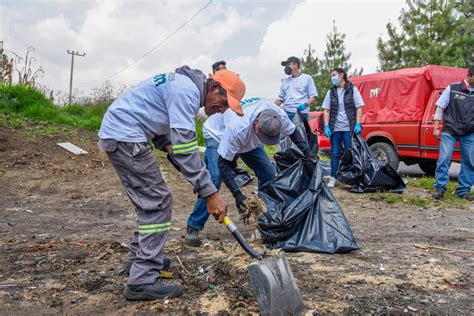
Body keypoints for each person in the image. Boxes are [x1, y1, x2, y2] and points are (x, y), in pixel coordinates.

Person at [97, 66, 245, 301]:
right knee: (157, 202)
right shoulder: (186, 92)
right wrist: (211, 193)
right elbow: (186, 149)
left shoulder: (181, 85)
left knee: (151, 201)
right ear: (215, 87)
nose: (221, 110)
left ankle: (140, 259)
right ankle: (142, 279)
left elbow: (150, 111)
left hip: (121, 133)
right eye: (223, 102)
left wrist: (166, 143)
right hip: (126, 136)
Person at [218, 97, 313, 212]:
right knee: (213, 179)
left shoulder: (278, 116)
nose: (265, 140)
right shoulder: (237, 128)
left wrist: (308, 152)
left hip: (250, 143)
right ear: (256, 122)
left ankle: (264, 211)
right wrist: (237, 194)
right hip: (220, 136)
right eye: (264, 136)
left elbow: (293, 132)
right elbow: (223, 164)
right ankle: (195, 224)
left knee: (269, 173)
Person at [432, 65, 474, 201]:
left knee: (468, 161)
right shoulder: (452, 88)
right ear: (470, 75)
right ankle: (439, 188)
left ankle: (463, 190)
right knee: (444, 159)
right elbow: (440, 107)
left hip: (469, 132)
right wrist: (436, 127)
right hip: (450, 130)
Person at [322, 67, 364, 188]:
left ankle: (351, 177)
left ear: (341, 75)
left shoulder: (352, 89)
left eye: (334, 75)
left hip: (349, 128)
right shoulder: (331, 92)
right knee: (335, 153)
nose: (332, 78)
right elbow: (326, 110)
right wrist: (326, 126)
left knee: (350, 153)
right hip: (335, 129)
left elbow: (359, 107)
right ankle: (334, 177)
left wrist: (358, 123)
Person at [275, 56, 318, 121]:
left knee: (300, 131)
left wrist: (305, 105)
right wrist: (271, 107)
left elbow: (314, 96)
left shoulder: (307, 78)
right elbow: (280, 99)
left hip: (301, 113)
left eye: (288, 65)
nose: (286, 67)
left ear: (295, 65)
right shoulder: (285, 81)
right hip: (287, 113)